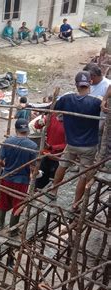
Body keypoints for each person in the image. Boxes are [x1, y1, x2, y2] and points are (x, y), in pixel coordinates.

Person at [50, 71, 102, 210]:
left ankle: (54, 190)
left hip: (71, 143)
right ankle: (76, 203)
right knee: (84, 175)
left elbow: (53, 108)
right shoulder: (96, 102)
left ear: (76, 84)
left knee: (63, 164)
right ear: (90, 83)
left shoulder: (67, 99)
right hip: (89, 145)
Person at [0, 119, 38, 231]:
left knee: (3, 200)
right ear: (27, 131)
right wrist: (34, 174)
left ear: (16, 129)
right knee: (18, 204)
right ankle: (13, 229)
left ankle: (0, 224)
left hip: (6, 177)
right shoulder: (32, 146)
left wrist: (7, 166)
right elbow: (33, 168)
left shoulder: (7, 141)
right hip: (21, 181)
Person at [33, 113, 66, 189]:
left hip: (58, 158)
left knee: (53, 182)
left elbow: (68, 145)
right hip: (45, 154)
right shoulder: (52, 116)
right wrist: (40, 122)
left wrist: (51, 147)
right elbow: (37, 125)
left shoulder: (70, 121)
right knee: (39, 180)